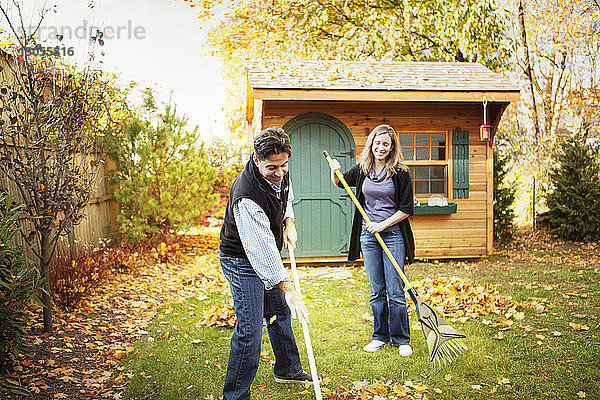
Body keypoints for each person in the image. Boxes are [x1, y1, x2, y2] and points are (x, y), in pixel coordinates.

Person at [219, 127, 314, 400]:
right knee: (250, 331)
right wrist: (290, 289)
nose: (280, 172)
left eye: (284, 165)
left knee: (279, 312)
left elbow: (287, 197)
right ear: (256, 159)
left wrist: (289, 222)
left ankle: (287, 369)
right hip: (241, 260)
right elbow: (261, 254)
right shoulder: (246, 195)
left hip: (263, 250)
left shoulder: (279, 171)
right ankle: (235, 396)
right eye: (272, 167)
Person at [328, 124, 416, 356]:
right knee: (377, 290)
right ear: (371, 144)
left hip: (393, 235)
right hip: (368, 237)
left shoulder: (400, 173)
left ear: (392, 147)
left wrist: (382, 224)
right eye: (377, 143)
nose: (381, 147)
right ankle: (380, 336)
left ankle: (401, 339)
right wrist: (334, 169)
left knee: (395, 289)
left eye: (386, 144)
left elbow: (407, 208)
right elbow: (340, 182)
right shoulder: (363, 168)